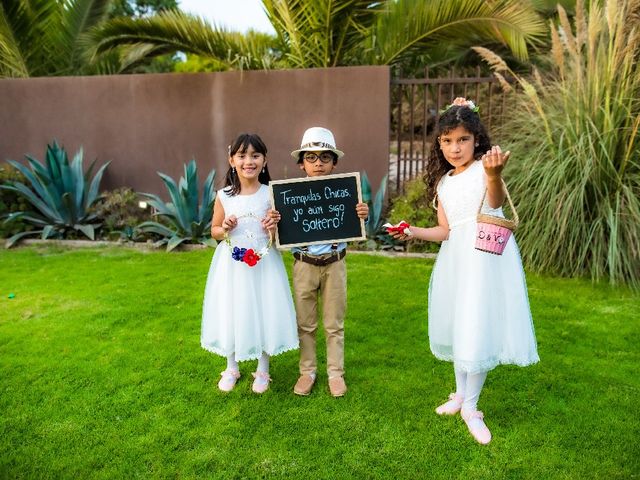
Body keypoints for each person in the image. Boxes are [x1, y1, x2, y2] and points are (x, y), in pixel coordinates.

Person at [391, 98, 539, 444]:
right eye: (446, 141)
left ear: (476, 140)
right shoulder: (444, 183)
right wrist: (412, 231)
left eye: (462, 140)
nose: (454, 148)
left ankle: (472, 407)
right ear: (438, 143)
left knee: (478, 324)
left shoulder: (483, 171)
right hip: (457, 259)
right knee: (461, 324)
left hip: (484, 258)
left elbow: (497, 202)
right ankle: (459, 395)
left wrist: (494, 174)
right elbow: (446, 230)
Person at [201, 133, 298, 394]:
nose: (249, 161)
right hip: (233, 264)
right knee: (233, 309)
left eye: (255, 155)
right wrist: (226, 227)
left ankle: (263, 369)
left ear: (264, 161)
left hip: (264, 261)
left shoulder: (271, 194)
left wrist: (273, 227)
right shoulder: (224, 196)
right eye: (242, 156)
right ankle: (231, 366)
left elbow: (279, 237)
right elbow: (214, 231)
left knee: (264, 308)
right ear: (232, 160)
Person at [286, 127, 369, 397]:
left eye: (324, 157)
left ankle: (336, 373)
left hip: (335, 263)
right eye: (311, 158)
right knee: (305, 323)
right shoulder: (289, 195)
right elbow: (279, 231)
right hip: (304, 264)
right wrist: (276, 222)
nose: (318, 163)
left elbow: (356, 224)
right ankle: (307, 372)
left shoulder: (345, 192)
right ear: (302, 164)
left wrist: (362, 215)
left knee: (334, 323)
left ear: (334, 162)